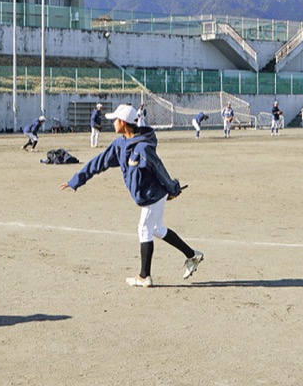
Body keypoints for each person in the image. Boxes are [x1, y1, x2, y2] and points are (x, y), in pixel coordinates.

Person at [59, 103, 203, 287]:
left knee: (144, 229)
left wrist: (172, 189)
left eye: (115, 121)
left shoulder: (143, 148)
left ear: (124, 123)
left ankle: (144, 277)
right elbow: (99, 162)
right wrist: (76, 181)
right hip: (146, 196)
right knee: (157, 229)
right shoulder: (119, 144)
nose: (113, 124)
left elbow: (159, 169)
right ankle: (192, 255)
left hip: (153, 195)